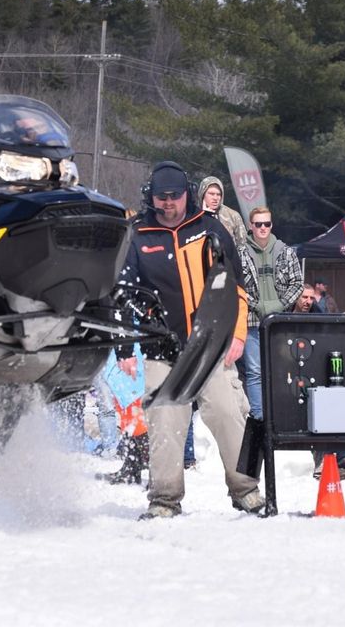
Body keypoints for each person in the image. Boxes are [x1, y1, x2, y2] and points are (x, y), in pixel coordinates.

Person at [127, 161, 262, 519]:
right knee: (165, 423)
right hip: (163, 349)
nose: (168, 203)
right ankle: (164, 499)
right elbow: (122, 293)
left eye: (175, 196)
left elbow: (237, 286)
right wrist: (127, 345)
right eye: (161, 197)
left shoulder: (210, 227)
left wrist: (237, 334)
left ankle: (246, 488)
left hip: (212, 345)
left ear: (188, 193)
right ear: (151, 197)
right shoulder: (138, 234)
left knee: (230, 414)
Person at [239, 206, 302, 421]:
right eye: (258, 224)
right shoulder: (240, 253)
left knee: (282, 370)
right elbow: (236, 286)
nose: (263, 228)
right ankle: (258, 417)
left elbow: (298, 283)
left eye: (267, 223)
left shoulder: (286, 251)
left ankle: (282, 415)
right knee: (255, 373)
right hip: (251, 321)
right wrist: (257, 304)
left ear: (271, 225)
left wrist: (279, 304)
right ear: (251, 226)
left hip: (280, 323)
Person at [197, 175, 247, 252]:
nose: (215, 198)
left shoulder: (232, 215)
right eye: (211, 194)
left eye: (218, 194)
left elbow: (242, 246)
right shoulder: (193, 216)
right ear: (203, 194)